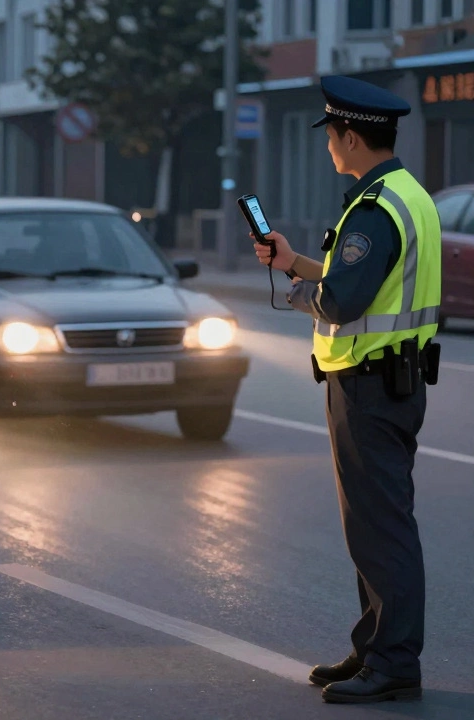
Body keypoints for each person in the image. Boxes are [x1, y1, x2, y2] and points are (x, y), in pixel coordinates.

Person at [252, 76, 441, 704]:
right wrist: (294, 260)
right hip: (389, 381)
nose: (330, 147)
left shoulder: (375, 209)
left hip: (369, 387)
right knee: (374, 525)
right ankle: (373, 649)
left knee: (381, 528)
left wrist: (299, 293)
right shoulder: (406, 195)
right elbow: (354, 279)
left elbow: (341, 299)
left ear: (351, 136)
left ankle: (393, 663)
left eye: (332, 136)